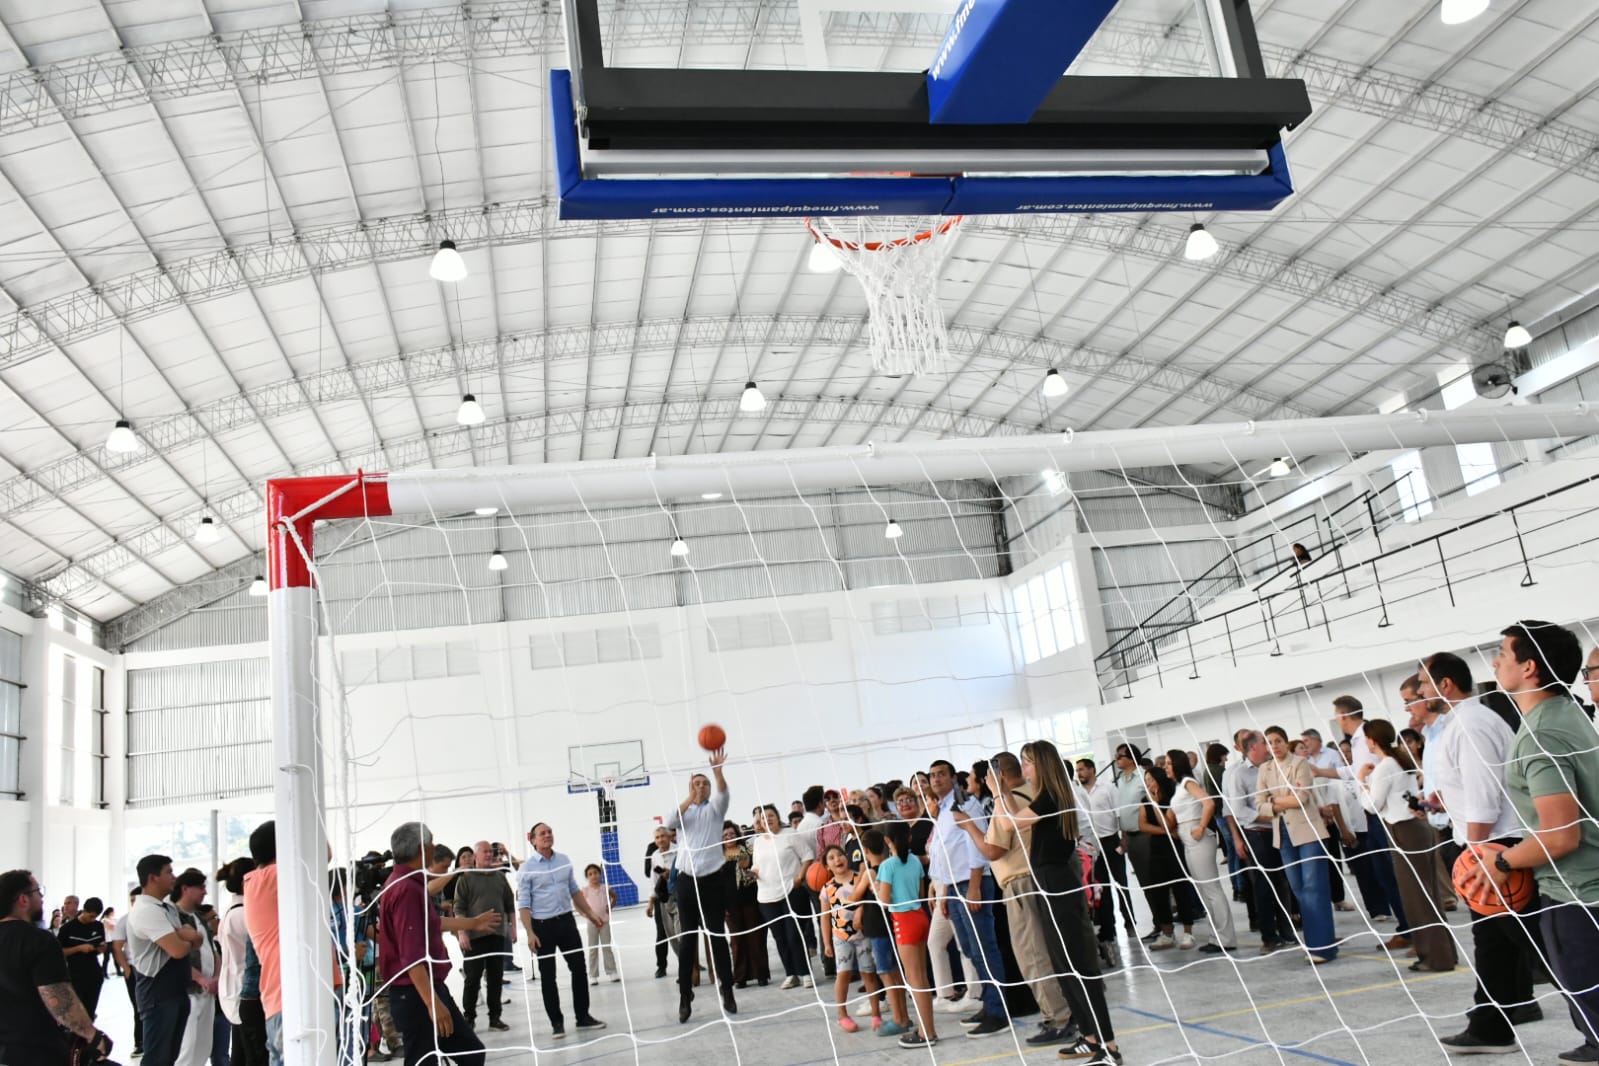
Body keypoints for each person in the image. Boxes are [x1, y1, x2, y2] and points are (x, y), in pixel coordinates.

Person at [1469, 621, 1598, 1065]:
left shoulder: (1541, 735)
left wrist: (1503, 862)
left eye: (1502, 654)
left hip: (1577, 894)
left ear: (1529, 667)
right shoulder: (1569, 712)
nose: (1494, 663)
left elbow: (1562, 834)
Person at [1416, 650, 1539, 1054]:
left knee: (1538, 941)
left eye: (1422, 684)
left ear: (1445, 685)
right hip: (1489, 845)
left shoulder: (1470, 723)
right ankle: (1492, 1027)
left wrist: (1475, 856)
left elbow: (1485, 797)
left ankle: (1498, 1023)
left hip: (1496, 849)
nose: (1418, 692)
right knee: (1495, 943)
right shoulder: (1463, 722)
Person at [991, 740, 1120, 1065]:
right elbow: (1015, 816)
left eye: (1028, 762)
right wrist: (1004, 791)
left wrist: (996, 793)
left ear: (1042, 765)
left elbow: (1008, 823)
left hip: (1059, 885)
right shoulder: (1043, 796)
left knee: (1081, 967)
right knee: (1063, 967)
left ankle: (1109, 1046)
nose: (1024, 768)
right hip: (1046, 883)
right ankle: (1089, 1038)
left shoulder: (1051, 796)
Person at [952, 750, 1076, 1045]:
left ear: (999, 776)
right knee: (1051, 951)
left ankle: (1059, 1019)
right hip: (1043, 878)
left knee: (1033, 955)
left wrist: (968, 826)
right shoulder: (1036, 794)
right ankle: (1064, 1012)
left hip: (1020, 883)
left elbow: (993, 850)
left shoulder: (1004, 805)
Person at [1359, 719, 1456, 974]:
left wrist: (1361, 781)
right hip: (1417, 829)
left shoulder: (1385, 767)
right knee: (1429, 894)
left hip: (1404, 831)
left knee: (1417, 898)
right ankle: (1444, 953)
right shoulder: (1400, 760)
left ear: (1371, 741)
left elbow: (1372, 805)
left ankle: (1435, 958)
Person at [925, 758, 1008, 1030]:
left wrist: (974, 886)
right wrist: (945, 893)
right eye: (932, 775)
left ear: (952, 778)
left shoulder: (965, 804)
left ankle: (998, 1011)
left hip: (971, 883)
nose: (936, 779)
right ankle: (988, 1003)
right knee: (971, 950)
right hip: (953, 887)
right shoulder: (942, 809)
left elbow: (976, 846)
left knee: (984, 948)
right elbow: (944, 853)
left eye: (941, 774)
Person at [1311, 697, 1407, 931]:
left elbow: (1365, 775)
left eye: (1337, 715)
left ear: (1344, 716)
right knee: (1382, 872)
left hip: (1380, 812)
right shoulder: (1358, 740)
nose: (1336, 720)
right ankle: (1405, 925)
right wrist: (1321, 771)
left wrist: (1362, 783)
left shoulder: (1365, 740)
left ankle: (1408, 926)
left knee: (1390, 873)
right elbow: (1353, 771)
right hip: (1373, 813)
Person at [0, 869, 111, 1064]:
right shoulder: (38, 940)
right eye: (38, 892)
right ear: (23, 900)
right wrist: (93, 1036)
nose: (42, 898)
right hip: (32, 1049)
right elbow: (57, 998)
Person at [514, 822, 608, 1038]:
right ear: (533, 840)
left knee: (579, 969)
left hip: (566, 922)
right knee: (548, 976)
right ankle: (556, 1023)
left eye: (549, 832)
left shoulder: (564, 860)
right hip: (542, 926)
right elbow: (524, 904)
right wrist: (529, 932)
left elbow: (574, 891)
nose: (547, 835)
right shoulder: (527, 868)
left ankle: (583, 1017)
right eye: (542, 833)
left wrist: (590, 914)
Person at [665, 749, 737, 1024]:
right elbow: (670, 821)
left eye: (705, 783)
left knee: (717, 937)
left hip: (713, 880)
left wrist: (717, 773)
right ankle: (685, 996)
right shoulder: (683, 813)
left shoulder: (715, 809)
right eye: (697, 783)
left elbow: (724, 794)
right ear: (689, 787)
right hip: (686, 881)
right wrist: (689, 797)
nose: (701, 786)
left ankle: (727, 990)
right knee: (688, 941)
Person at [1260, 726, 1337, 964]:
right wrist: (1279, 801)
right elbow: (1259, 805)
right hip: (1283, 834)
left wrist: (1273, 799)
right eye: (1270, 742)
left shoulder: (1300, 763)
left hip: (1308, 831)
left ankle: (1322, 947)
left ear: (1286, 742)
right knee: (1299, 889)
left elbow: (1302, 799)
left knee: (1314, 888)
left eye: (1278, 740)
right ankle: (1317, 941)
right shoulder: (1265, 769)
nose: (1274, 746)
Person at [128, 854, 203, 1066]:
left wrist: (185, 937)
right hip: (157, 993)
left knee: (170, 1057)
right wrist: (187, 939)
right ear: (153, 878)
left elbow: (193, 936)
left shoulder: (166, 908)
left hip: (176, 989)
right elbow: (178, 949)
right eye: (168, 872)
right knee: (157, 1059)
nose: (174, 877)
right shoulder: (146, 910)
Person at [1224, 731, 1294, 955]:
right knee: (1263, 886)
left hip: (1281, 831)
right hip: (1258, 835)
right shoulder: (1238, 774)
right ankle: (1269, 937)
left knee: (1283, 883)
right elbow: (1237, 809)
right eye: (1266, 742)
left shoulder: (1274, 766)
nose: (1270, 746)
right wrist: (1269, 817)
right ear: (1253, 747)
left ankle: (1287, 932)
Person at [1169, 750, 1236, 954]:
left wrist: (1201, 827)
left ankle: (1225, 939)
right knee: (1204, 891)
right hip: (1188, 839)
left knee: (1212, 890)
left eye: (1169, 763)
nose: (1165, 767)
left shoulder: (1188, 782)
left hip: (1198, 838)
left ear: (1178, 764)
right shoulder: (1179, 786)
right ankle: (1216, 937)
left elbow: (1209, 803)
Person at [819, 844, 884, 1033]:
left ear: (846, 857)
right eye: (831, 858)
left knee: (869, 973)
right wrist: (826, 942)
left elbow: (867, 901)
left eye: (840, 855)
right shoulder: (827, 889)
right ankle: (842, 1014)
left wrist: (860, 911)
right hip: (841, 937)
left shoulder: (860, 878)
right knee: (843, 974)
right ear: (827, 866)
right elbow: (825, 918)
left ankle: (876, 1014)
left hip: (863, 934)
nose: (837, 859)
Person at [455, 840, 515, 1032]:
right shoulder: (466, 878)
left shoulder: (500, 877)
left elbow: (509, 904)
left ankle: (495, 1018)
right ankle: (469, 1017)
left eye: (491, 852)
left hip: (497, 935)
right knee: (472, 979)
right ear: (475, 856)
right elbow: (459, 908)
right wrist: (462, 932)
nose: (489, 855)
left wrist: (513, 928)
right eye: (485, 852)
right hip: (474, 938)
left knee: (496, 978)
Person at [751, 805, 811, 989]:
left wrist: (800, 877)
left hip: (791, 891)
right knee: (780, 938)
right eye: (763, 817)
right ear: (760, 822)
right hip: (766, 896)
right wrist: (752, 873)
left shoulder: (789, 834)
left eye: (771, 815)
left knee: (794, 935)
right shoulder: (758, 842)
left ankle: (805, 973)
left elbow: (808, 856)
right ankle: (791, 974)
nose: (767, 819)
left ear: (777, 817)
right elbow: (757, 866)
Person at [216, 858, 266, 1066]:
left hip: (237, 988)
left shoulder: (234, 911)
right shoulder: (242, 914)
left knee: (242, 1052)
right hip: (243, 989)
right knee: (248, 1054)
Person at [240, 823, 282, 1066]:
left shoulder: (260, 882)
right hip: (286, 998)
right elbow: (322, 856)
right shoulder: (269, 878)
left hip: (278, 997)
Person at [1076, 757, 1124, 967]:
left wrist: (1122, 838)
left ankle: (1110, 933)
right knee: (1092, 895)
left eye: (1082, 769)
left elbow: (1118, 814)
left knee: (1104, 890)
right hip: (1082, 849)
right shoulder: (1078, 791)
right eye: (1077, 770)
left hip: (1097, 846)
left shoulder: (1101, 789)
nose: (1079, 773)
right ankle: (1100, 935)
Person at [171, 868, 219, 1066]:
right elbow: (173, 956)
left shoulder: (199, 917)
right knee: (186, 1049)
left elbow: (213, 950)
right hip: (188, 992)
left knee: (203, 1047)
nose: (204, 892)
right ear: (185, 889)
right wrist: (200, 978)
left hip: (208, 992)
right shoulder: (172, 917)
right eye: (200, 887)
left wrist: (216, 977)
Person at [720, 823, 768, 989]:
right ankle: (740, 977)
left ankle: (761, 975)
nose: (729, 837)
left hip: (751, 901)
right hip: (730, 905)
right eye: (725, 835)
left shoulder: (748, 850)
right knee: (737, 941)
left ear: (737, 834)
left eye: (732, 834)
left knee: (756, 938)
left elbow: (756, 870)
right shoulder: (717, 856)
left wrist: (748, 867)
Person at [1111, 744, 1147, 941]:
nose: (1117, 759)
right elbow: (1123, 810)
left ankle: (1165, 926)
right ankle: (1159, 925)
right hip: (1130, 836)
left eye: (1120, 756)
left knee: (1153, 881)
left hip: (1145, 835)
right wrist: (1123, 836)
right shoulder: (1122, 780)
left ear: (1132, 759)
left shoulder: (1143, 777)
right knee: (1143, 882)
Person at [58, 895, 107, 1019]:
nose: (92, 920)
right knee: (76, 1012)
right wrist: (78, 948)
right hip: (75, 975)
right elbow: (59, 952)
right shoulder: (67, 928)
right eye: (90, 916)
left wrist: (101, 949)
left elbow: (100, 945)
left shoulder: (98, 926)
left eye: (95, 917)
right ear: (84, 910)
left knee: (90, 1011)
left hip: (94, 973)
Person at [107, 887, 143, 1056]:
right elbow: (117, 947)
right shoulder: (125, 920)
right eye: (132, 901)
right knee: (138, 1007)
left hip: (153, 969)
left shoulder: (156, 917)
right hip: (134, 969)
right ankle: (140, 1042)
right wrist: (126, 969)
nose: (134, 904)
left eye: (137, 900)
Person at [644, 827, 678, 979]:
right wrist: (650, 903)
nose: (660, 840)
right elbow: (653, 880)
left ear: (670, 837)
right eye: (657, 837)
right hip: (662, 897)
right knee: (662, 933)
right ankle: (661, 966)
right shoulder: (655, 855)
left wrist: (671, 874)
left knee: (683, 932)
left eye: (663, 836)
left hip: (679, 896)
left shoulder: (679, 850)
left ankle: (690, 964)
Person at [580, 864, 620, 984]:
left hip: (605, 922)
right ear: (587, 877)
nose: (593, 876)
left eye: (596, 873)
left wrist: (610, 908)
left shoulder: (604, 888)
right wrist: (585, 914)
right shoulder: (585, 890)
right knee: (593, 949)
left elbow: (614, 897)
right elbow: (579, 904)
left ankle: (612, 971)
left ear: (600, 874)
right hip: (592, 923)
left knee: (606, 947)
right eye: (590, 874)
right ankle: (593, 975)